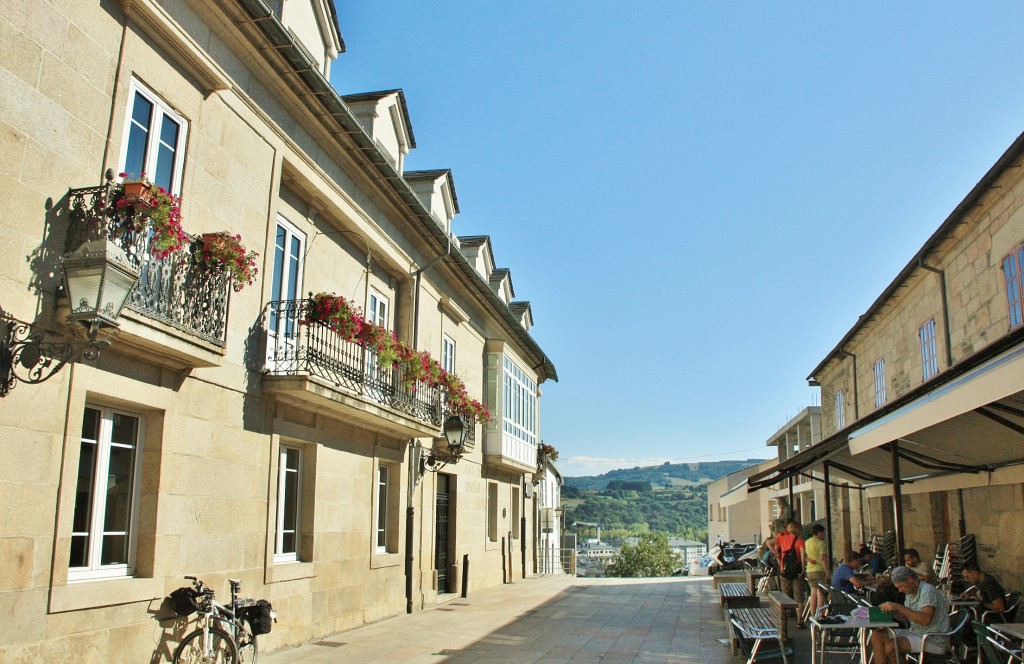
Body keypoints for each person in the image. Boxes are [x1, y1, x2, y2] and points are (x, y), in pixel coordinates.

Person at [870, 566, 950, 663]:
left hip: (933, 638)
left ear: (910, 579)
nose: (900, 590)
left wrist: (898, 606)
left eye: (900, 586)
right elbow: (907, 618)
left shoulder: (927, 592)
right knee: (877, 635)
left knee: (892, 646)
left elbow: (925, 620)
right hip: (916, 632)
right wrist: (891, 613)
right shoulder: (910, 592)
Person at [769, 520, 807, 627]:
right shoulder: (800, 540)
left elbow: (769, 543)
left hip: (784, 570)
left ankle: (783, 619)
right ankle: (800, 621)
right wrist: (803, 569)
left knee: (785, 595)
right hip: (797, 571)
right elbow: (803, 556)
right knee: (798, 597)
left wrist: (777, 555)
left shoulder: (782, 538)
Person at [804, 524, 829, 619]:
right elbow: (823, 558)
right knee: (820, 592)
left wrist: (808, 560)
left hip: (810, 570)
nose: (823, 534)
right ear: (818, 532)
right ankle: (821, 613)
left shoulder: (807, 542)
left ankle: (812, 614)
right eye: (823, 532)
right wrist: (827, 572)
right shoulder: (821, 543)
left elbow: (804, 554)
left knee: (813, 592)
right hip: (819, 569)